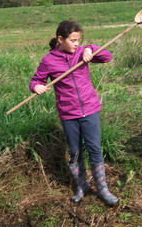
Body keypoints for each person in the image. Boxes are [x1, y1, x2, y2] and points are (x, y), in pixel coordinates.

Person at [29, 20, 119, 206]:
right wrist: (36, 86)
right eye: (73, 40)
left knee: (94, 148)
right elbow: (36, 79)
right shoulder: (49, 60)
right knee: (75, 152)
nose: (76, 43)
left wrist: (90, 48)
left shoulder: (82, 52)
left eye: (79, 40)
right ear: (60, 39)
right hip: (68, 113)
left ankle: (102, 189)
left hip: (90, 109)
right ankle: (81, 186)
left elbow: (107, 57)